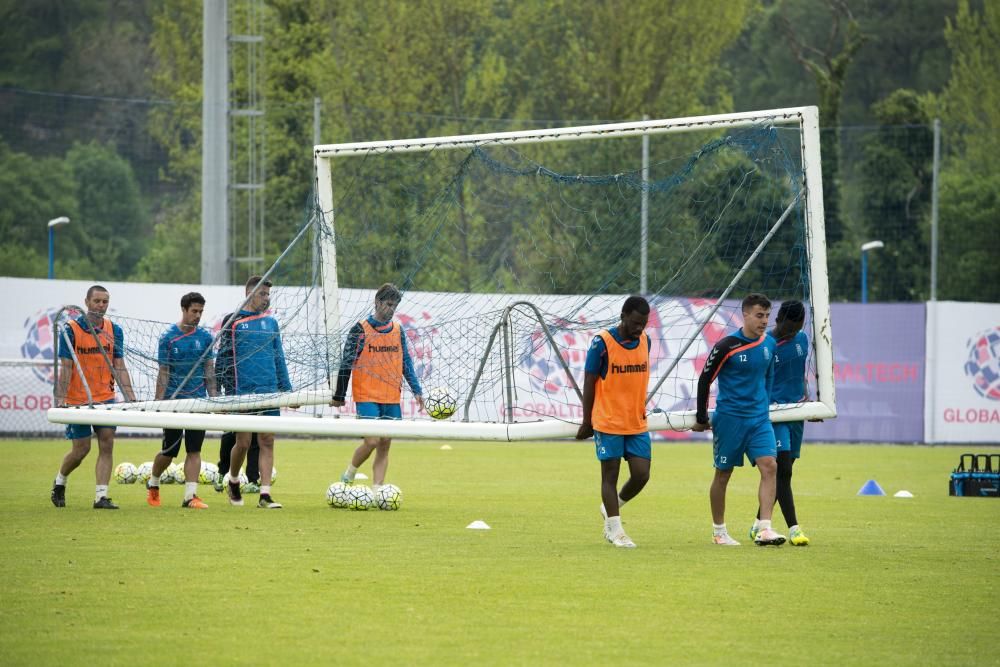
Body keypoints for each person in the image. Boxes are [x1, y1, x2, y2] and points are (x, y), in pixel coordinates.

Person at [693, 293, 786, 546]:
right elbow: (705, 379)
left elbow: (768, 377)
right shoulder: (727, 346)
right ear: (745, 315)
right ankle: (719, 531)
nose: (764, 321)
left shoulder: (768, 345)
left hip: (758, 419)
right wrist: (702, 417)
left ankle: (764, 528)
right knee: (723, 474)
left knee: (770, 466)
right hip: (730, 419)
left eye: (767, 316)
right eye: (759, 315)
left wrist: (763, 407)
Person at [575, 295, 652, 549]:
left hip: (636, 422)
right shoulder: (602, 343)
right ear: (623, 315)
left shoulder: (646, 341)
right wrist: (587, 421)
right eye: (635, 322)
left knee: (641, 475)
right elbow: (589, 381)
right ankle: (615, 531)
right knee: (610, 476)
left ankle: (611, 507)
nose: (639, 328)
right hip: (608, 421)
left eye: (644, 323)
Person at [51, 285, 136, 509]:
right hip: (78, 401)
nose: (101, 305)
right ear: (86, 302)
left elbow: (119, 365)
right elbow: (66, 368)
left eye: (105, 301)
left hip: (106, 399)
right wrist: (61, 399)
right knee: (81, 450)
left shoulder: (114, 330)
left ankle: (101, 497)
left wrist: (131, 397)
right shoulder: (70, 330)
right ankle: (60, 481)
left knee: (107, 444)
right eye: (97, 301)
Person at [333, 283, 424, 491]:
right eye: (388, 304)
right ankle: (349, 473)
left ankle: (377, 490)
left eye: (395, 306)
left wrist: (417, 390)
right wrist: (339, 395)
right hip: (366, 395)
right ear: (377, 302)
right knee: (372, 440)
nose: (391, 309)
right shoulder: (360, 329)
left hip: (391, 396)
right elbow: (346, 363)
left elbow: (406, 362)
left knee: (384, 444)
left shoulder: (398, 330)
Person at [224, 276, 291, 509]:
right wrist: (228, 395)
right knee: (242, 442)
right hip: (243, 393)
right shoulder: (232, 322)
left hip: (269, 390)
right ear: (249, 294)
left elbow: (278, 356)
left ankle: (265, 494)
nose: (267, 298)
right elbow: (224, 361)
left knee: (267, 441)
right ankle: (233, 481)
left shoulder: (271, 323)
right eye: (263, 294)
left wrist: (287, 390)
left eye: (268, 294)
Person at [147, 292, 217, 510]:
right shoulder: (168, 338)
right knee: (169, 453)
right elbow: (164, 372)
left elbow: (209, 371)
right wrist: (159, 402)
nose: (197, 316)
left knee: (194, 450)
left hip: (198, 403)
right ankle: (154, 482)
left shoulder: (205, 338)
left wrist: (214, 399)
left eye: (201, 312)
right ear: (184, 310)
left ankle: (190, 496)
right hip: (174, 403)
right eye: (194, 311)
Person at [750, 299, 811, 546]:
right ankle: (794, 528)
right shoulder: (766, 345)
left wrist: (810, 401)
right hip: (774, 414)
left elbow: (798, 374)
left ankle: (757, 525)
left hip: (796, 412)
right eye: (788, 328)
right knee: (782, 470)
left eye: (797, 328)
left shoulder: (803, 340)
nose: (792, 333)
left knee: (786, 472)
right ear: (778, 320)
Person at [213, 307, 261, 493]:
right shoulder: (231, 319)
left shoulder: (264, 321)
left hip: (257, 386)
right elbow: (223, 355)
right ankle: (222, 471)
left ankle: (253, 479)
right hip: (234, 387)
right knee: (231, 433)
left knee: (256, 434)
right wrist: (219, 386)